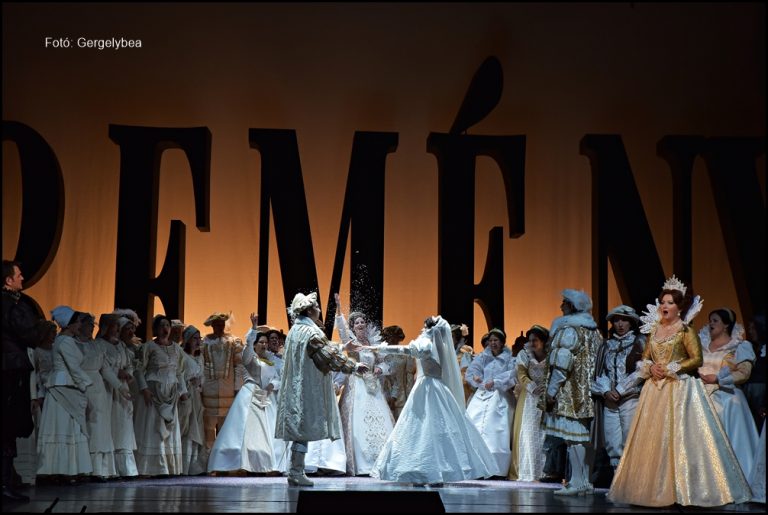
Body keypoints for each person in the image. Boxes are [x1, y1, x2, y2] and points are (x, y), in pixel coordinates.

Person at [608, 276, 752, 507]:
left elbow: (696, 359)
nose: (665, 306)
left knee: (679, 439)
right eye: (663, 302)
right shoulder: (654, 330)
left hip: (678, 389)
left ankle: (682, 489)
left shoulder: (685, 330)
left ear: (679, 307)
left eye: (670, 303)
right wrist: (650, 367)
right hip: (655, 391)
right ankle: (650, 489)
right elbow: (644, 358)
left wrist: (671, 367)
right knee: (653, 440)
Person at [371, 316, 496, 485]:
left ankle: (427, 469)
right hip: (437, 387)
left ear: (429, 329)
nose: (422, 329)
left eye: (424, 327)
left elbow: (406, 350)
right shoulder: (440, 345)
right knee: (434, 427)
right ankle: (435, 469)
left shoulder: (426, 343)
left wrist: (381, 348)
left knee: (423, 426)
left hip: (427, 387)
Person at [275, 291, 368, 486]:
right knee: (302, 429)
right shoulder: (311, 332)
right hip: (307, 387)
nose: (319, 310)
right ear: (309, 311)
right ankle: (296, 471)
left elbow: (322, 348)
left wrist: (343, 348)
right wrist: (353, 366)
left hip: (298, 385)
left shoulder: (296, 330)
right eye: (316, 307)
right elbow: (327, 356)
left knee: (300, 429)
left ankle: (296, 470)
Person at [542, 289, 602, 495]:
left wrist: (551, 391)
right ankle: (584, 481)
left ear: (571, 306)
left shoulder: (569, 330)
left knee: (574, 438)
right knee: (583, 438)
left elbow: (561, 364)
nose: (561, 306)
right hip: (589, 391)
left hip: (571, 391)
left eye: (564, 303)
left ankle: (577, 482)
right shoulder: (594, 331)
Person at [334, 293, 395, 476]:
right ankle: (362, 464)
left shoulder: (373, 343)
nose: (360, 324)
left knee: (381, 421)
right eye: (357, 323)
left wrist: (379, 369)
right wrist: (339, 308)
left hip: (373, 387)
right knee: (358, 422)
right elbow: (341, 330)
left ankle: (381, 462)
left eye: (363, 322)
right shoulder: (351, 343)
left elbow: (386, 363)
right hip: (357, 384)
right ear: (353, 327)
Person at [698, 308, 759, 480]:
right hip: (701, 397)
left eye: (715, 320)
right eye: (710, 320)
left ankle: (737, 480)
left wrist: (718, 378)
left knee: (733, 443)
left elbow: (744, 373)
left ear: (726, 325)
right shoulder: (702, 345)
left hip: (728, 399)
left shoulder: (739, 346)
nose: (711, 324)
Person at [2, 260, 44, 501]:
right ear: (8, 280)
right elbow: (31, 334)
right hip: (10, 369)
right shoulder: (12, 305)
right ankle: (5, 483)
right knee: (8, 425)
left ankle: (8, 481)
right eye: (18, 275)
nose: (22, 278)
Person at [36, 307, 93, 480]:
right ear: (69, 324)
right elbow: (73, 367)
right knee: (64, 427)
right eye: (77, 322)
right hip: (63, 386)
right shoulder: (65, 341)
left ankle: (63, 470)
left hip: (64, 385)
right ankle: (62, 471)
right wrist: (86, 385)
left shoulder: (64, 340)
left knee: (65, 427)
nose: (80, 325)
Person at [590, 305, 645, 483]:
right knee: (612, 443)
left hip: (631, 399)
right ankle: (617, 483)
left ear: (631, 323)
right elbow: (600, 372)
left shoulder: (639, 342)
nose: (620, 324)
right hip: (610, 401)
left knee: (630, 440)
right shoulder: (606, 345)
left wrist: (620, 389)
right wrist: (606, 390)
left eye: (624, 320)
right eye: (616, 320)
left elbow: (641, 371)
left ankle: (631, 483)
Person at [207, 329, 275, 474]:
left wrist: (272, 385)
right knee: (243, 429)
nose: (264, 345)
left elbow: (276, 377)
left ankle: (257, 464)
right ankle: (239, 464)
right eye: (261, 342)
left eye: (266, 342)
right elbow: (247, 353)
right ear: (255, 345)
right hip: (249, 393)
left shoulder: (270, 362)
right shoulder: (250, 358)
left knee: (260, 431)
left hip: (263, 396)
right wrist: (253, 331)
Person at [133, 314, 187, 476]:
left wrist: (183, 391)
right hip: (153, 391)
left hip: (171, 393)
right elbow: (139, 369)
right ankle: (151, 468)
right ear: (155, 329)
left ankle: (168, 468)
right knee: (154, 429)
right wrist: (144, 389)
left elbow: (179, 372)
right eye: (161, 326)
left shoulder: (177, 349)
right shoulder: (148, 347)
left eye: (167, 325)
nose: (165, 329)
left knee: (170, 429)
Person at [465, 328, 516, 477]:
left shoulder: (509, 359)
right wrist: (477, 379)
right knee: (474, 422)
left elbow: (512, 375)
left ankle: (496, 468)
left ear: (502, 342)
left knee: (495, 428)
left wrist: (496, 381)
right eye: (491, 340)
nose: (493, 343)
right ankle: (476, 466)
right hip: (482, 393)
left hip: (499, 394)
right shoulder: (482, 357)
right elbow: (471, 372)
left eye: (496, 340)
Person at [510, 324, 549, 482]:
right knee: (528, 434)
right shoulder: (524, 354)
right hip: (529, 398)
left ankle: (545, 472)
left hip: (547, 397)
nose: (532, 343)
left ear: (543, 341)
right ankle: (528, 472)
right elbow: (521, 375)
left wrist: (547, 387)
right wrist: (533, 387)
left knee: (544, 435)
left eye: (536, 340)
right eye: (531, 340)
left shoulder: (551, 354)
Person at [200, 312, 244, 451]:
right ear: (212, 325)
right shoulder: (205, 342)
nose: (220, 327)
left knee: (226, 427)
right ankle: (208, 455)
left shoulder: (233, 341)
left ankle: (223, 456)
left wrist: (237, 387)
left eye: (222, 324)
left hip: (228, 389)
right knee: (208, 426)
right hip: (209, 389)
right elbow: (200, 364)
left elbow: (238, 366)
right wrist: (200, 387)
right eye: (217, 324)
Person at [178, 325, 207, 475]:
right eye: (195, 338)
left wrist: (200, 383)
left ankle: (194, 466)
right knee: (188, 428)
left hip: (196, 395)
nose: (198, 341)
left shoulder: (199, 357)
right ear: (188, 340)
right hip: (186, 394)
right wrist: (186, 390)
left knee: (197, 427)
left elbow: (202, 376)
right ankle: (183, 466)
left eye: (199, 338)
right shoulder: (182, 355)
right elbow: (179, 375)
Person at [380, 325, 416, 421]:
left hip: (401, 397)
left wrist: (410, 397)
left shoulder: (406, 352)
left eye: (392, 336)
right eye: (387, 336)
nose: (389, 339)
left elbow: (409, 376)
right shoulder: (381, 352)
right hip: (383, 395)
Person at [743, 314, 766, 429]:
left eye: (753, 328)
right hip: (754, 399)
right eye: (750, 328)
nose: (750, 331)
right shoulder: (754, 348)